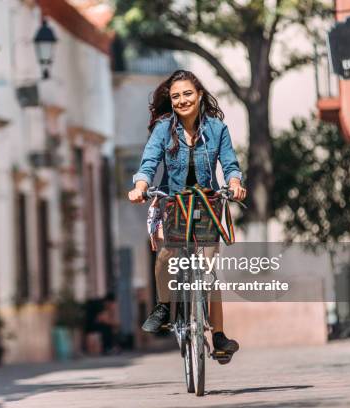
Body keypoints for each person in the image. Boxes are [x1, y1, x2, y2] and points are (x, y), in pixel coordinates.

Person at [127, 70, 246, 363]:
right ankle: (165, 306)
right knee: (166, 255)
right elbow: (150, 161)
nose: (182, 101)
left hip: (208, 202)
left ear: (200, 95)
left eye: (188, 94)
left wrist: (234, 184)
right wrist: (140, 186)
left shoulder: (217, 129)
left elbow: (230, 164)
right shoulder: (163, 129)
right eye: (176, 96)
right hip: (174, 202)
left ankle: (218, 336)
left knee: (208, 270)